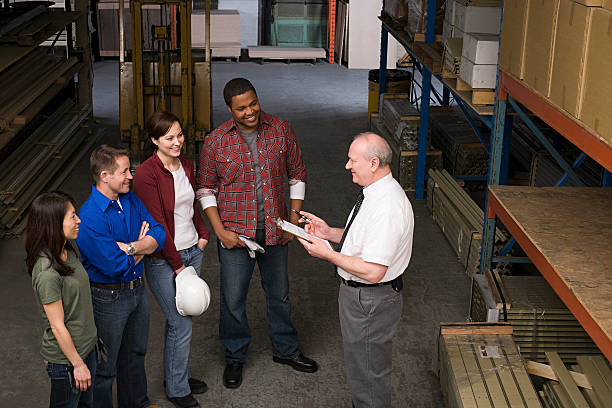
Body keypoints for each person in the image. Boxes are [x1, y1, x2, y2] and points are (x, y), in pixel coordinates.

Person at [196, 77, 318, 389]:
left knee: (280, 293)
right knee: (233, 299)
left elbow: (297, 174)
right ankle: (235, 356)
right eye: (242, 108)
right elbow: (206, 189)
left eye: (253, 103)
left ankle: (286, 350)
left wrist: (291, 219)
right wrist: (220, 231)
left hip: (276, 230)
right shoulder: (215, 142)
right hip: (235, 235)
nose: (250, 111)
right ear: (229, 109)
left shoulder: (280, 129)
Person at [296, 132, 414, 408]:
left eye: (353, 160)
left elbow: (373, 271)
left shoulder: (387, 208)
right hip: (363, 299)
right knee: (363, 372)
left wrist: (328, 254)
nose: (348, 166)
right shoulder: (375, 194)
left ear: (373, 163)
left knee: (369, 379)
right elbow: (364, 242)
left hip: (369, 301)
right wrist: (330, 233)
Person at [76, 144, 166, 408]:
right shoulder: (90, 217)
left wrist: (130, 247)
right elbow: (116, 267)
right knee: (105, 366)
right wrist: (141, 247)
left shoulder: (130, 199)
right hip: (108, 298)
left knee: (135, 356)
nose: (131, 176)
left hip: (137, 290)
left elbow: (158, 234)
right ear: (105, 176)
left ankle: (137, 403)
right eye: (125, 171)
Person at [133, 111, 210, 408]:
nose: (177, 142)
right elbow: (159, 224)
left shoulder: (187, 164)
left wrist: (203, 236)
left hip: (192, 249)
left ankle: (176, 374)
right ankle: (177, 390)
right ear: (154, 141)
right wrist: (179, 267)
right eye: (169, 138)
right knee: (180, 322)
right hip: (164, 259)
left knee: (183, 319)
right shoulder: (146, 174)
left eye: (179, 135)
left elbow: (191, 206)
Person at [25, 191, 98, 408]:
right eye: (72, 216)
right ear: (54, 224)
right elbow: (57, 326)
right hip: (67, 361)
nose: (79, 220)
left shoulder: (66, 251)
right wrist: (78, 364)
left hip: (86, 349)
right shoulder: (47, 273)